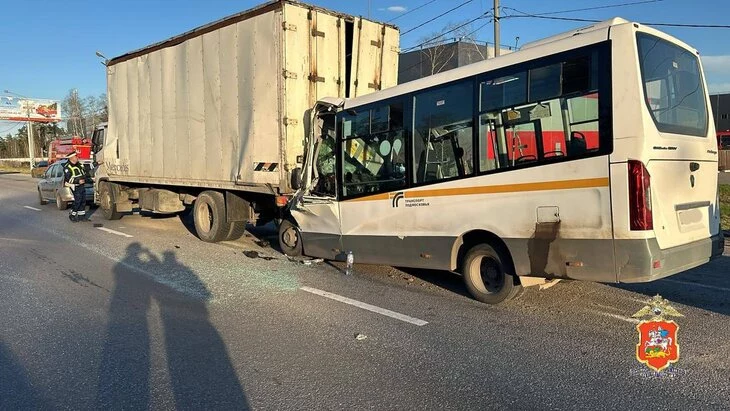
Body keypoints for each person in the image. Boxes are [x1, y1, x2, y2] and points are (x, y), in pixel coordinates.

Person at [63, 151, 90, 222]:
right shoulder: (67, 167)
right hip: (74, 186)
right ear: (71, 158)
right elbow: (68, 179)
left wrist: (97, 163)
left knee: (83, 201)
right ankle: (72, 215)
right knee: (78, 200)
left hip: (81, 185)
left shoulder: (79, 165)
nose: (77, 157)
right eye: (76, 156)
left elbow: (87, 168)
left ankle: (81, 216)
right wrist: (77, 181)